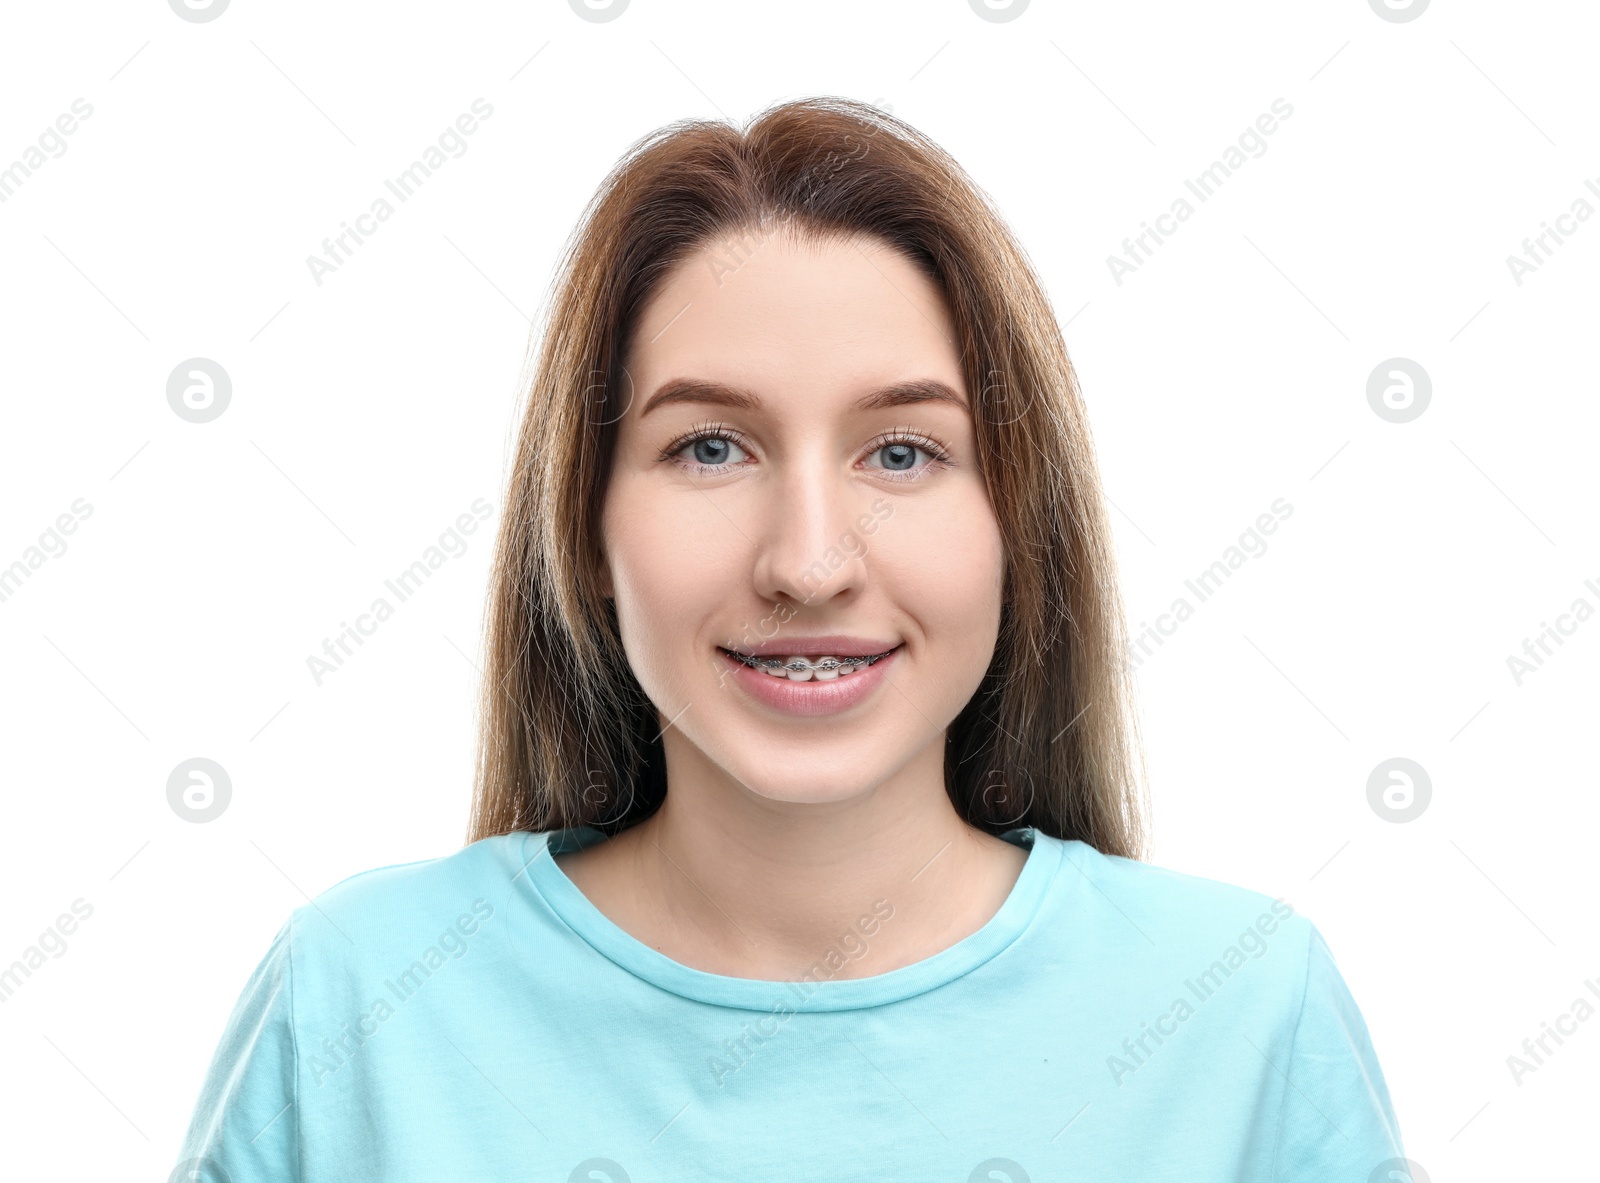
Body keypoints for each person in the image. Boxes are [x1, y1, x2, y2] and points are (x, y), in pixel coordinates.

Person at [173, 97, 1407, 1182]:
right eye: (709, 446)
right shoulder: (358, 1003)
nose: (809, 562)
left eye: (902, 451)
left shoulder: (1244, 1010)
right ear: (586, 528)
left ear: (1015, 526)